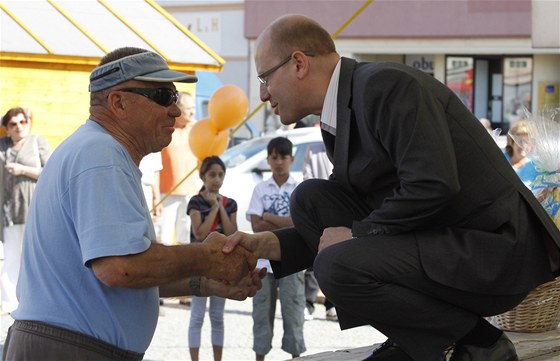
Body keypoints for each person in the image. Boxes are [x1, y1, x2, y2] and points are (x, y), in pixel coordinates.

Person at [224, 14, 560, 361]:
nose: (263, 93)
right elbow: (338, 222)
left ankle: (482, 341)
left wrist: (357, 234)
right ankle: (414, 339)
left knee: (336, 265)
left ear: (298, 63)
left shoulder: (386, 85)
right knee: (310, 200)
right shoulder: (345, 105)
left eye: (265, 77)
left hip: (490, 251)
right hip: (439, 240)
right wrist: (261, 246)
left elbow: (433, 183)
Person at [3, 47, 264, 361]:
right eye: (163, 97)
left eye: (176, 98)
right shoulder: (101, 154)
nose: (176, 111)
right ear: (118, 102)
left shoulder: (98, 151)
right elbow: (120, 268)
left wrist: (206, 282)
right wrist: (209, 258)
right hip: (72, 349)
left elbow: (125, 273)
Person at [246, 136, 306, 361]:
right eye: (274, 157)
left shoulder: (300, 189)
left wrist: (270, 216)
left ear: (292, 159)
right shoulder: (260, 189)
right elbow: (255, 224)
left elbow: (300, 222)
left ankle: (296, 356)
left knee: (294, 310)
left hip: (294, 258)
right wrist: (286, 221)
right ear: (268, 159)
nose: (279, 162)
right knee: (261, 313)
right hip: (263, 260)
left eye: (283, 157)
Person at [0, 107, 51, 314]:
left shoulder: (38, 143)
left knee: (35, 255)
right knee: (11, 256)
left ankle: (39, 301)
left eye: (22, 122)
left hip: (34, 208)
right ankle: (9, 302)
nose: (19, 127)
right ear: (7, 128)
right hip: (10, 210)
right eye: (13, 124)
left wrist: (23, 170)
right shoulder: (3, 146)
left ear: (28, 123)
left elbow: (50, 172)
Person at [187, 156, 238, 361]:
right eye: (212, 175)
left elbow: (231, 233)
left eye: (220, 174)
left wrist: (221, 206)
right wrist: (214, 208)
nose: (216, 179)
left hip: (221, 265)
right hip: (199, 264)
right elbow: (199, 234)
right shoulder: (196, 201)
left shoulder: (230, 203)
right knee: (197, 316)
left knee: (217, 316)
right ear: (203, 176)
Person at [301, 142, 337, 322]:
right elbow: (307, 177)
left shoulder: (344, 143)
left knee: (337, 256)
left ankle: (332, 304)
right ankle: (308, 303)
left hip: (339, 206)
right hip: (318, 208)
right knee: (314, 257)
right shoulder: (313, 149)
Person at [159, 91, 199, 246]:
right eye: (188, 108)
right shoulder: (166, 129)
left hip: (190, 191)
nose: (192, 111)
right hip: (167, 191)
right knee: (164, 236)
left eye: (193, 107)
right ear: (177, 108)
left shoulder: (196, 129)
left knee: (186, 235)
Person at [504, 119, 539, 187]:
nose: (524, 146)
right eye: (520, 141)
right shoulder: (500, 159)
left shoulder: (538, 166)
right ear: (511, 142)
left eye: (528, 142)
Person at [139, 151, 163, 222]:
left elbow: (156, 170)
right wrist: (156, 198)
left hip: (145, 186)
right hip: (145, 187)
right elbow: (156, 171)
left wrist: (156, 198)